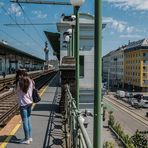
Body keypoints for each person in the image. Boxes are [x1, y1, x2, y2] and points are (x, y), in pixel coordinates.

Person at [16, 69, 34, 144]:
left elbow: (16, 91)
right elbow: (32, 90)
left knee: (24, 122)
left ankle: (26, 139)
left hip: (23, 104)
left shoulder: (19, 83)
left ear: (21, 75)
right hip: (30, 103)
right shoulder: (31, 81)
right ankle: (30, 137)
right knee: (29, 121)